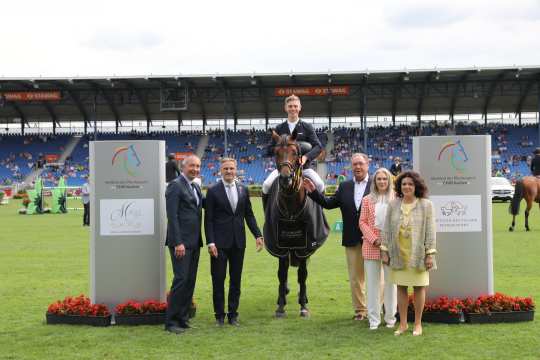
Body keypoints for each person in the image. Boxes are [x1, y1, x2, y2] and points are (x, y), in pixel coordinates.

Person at [304, 153, 371, 320]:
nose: (357, 167)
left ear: (367, 165)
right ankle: (360, 311)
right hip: (352, 239)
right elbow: (329, 203)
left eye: (360, 164)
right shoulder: (345, 186)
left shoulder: (377, 184)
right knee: (356, 279)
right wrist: (313, 192)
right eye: (354, 164)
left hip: (374, 239)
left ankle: (377, 310)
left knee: (378, 277)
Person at [204, 158, 264, 326]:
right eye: (226, 169)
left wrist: (258, 235)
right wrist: (211, 242)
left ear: (236, 170)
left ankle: (233, 314)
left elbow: (249, 215)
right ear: (220, 171)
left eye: (231, 168)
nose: (229, 171)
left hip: (239, 243)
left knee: (235, 280)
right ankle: (219, 316)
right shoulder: (213, 191)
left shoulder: (243, 190)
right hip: (219, 244)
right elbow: (208, 220)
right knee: (218, 280)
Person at [380, 171, 436, 337]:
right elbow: (386, 229)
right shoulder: (393, 204)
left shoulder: (426, 205)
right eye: (403, 184)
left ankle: (417, 324)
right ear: (399, 187)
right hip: (398, 253)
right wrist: (384, 251)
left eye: (410, 184)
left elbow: (431, 231)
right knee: (401, 288)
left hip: (418, 253)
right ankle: (403, 324)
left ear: (416, 186)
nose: (406, 187)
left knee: (419, 288)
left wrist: (430, 254)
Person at [164, 155, 204, 334]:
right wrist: (178, 242)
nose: (195, 169)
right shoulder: (175, 185)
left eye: (198, 166)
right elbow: (172, 216)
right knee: (180, 280)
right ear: (183, 166)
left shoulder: (195, 186)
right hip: (180, 243)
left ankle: (183, 318)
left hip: (195, 243)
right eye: (192, 166)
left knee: (189, 281)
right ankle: (171, 323)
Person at [359, 167, 397, 330]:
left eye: (385, 179)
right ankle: (373, 319)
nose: (382, 182)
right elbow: (362, 222)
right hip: (371, 246)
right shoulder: (367, 199)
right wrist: (374, 240)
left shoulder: (397, 199)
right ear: (374, 182)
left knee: (391, 284)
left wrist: (387, 242)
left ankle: (390, 318)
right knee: (372, 285)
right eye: (379, 179)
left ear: (389, 181)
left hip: (391, 247)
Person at [263, 94, 325, 195]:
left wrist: (305, 157)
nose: (293, 108)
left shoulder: (307, 127)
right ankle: (267, 211)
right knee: (266, 185)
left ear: (300, 108)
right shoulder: (279, 128)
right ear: (286, 108)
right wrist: (279, 149)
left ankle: (321, 211)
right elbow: (269, 149)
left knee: (320, 185)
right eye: (290, 106)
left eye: (295, 106)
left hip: (304, 169)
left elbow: (318, 146)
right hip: (283, 170)